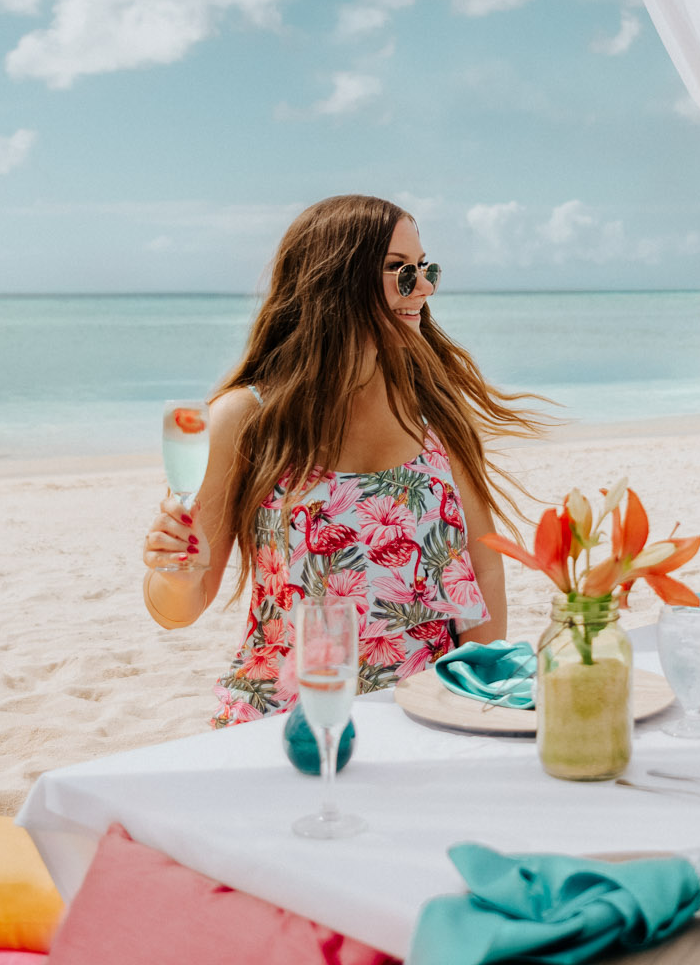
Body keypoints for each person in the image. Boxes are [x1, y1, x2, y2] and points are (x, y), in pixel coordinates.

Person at [141, 194, 539, 722]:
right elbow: (177, 611)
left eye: (425, 270)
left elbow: (484, 567)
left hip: (425, 713)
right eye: (400, 271)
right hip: (293, 717)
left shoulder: (431, 408)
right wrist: (176, 572)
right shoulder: (246, 418)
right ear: (336, 281)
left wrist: (476, 698)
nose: (423, 288)